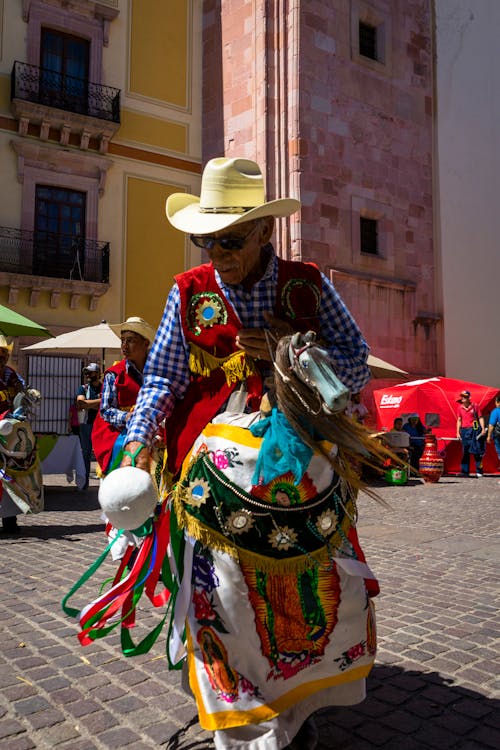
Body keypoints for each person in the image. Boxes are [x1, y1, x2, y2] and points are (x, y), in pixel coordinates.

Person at [120, 157, 373, 750]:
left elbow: (356, 361)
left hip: (303, 467)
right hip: (209, 473)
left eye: (230, 240)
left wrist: (293, 351)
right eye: (205, 240)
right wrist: (136, 443)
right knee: (221, 591)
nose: (217, 254)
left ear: (265, 232)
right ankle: (238, 715)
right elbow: (160, 378)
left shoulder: (307, 284)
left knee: (316, 584)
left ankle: (300, 706)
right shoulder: (188, 292)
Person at [0, 335, 26, 533]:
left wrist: (22, 393)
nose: (2, 357)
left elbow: (21, 395)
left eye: (5, 353)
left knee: (11, 475)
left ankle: (10, 519)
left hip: (10, 432)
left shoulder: (11, 374)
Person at [76, 363, 102, 490]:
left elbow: (109, 403)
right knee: (85, 454)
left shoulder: (105, 388)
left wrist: (88, 404)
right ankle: (84, 483)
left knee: (102, 454)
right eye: (86, 373)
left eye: (90, 372)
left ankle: (104, 484)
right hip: (86, 425)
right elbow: (81, 404)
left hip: (102, 426)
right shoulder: (83, 388)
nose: (87, 375)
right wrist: (100, 402)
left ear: (97, 373)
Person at [456, 390, 485, 477]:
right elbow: (459, 420)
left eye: (465, 396)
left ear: (469, 398)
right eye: (462, 396)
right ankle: (465, 471)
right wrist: (457, 432)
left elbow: (480, 417)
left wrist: (483, 429)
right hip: (464, 431)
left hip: (474, 430)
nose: (463, 398)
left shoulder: (475, 406)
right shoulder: (460, 408)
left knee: (477, 451)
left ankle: (479, 471)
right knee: (465, 452)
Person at [486, 393, 500, 469]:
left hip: (498, 436)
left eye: (495, 401)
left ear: (498, 402)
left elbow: (491, 425)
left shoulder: (496, 411)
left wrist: (488, 436)